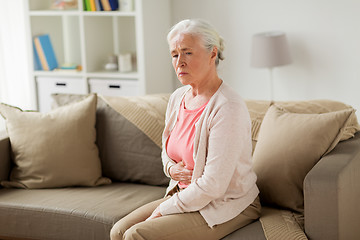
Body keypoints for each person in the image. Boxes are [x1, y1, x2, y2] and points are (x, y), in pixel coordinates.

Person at [110, 19, 261, 240]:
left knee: (136, 236)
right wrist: (171, 170)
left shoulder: (228, 107)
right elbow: (167, 149)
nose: (179, 62)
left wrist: (163, 209)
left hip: (224, 203)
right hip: (187, 194)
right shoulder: (178, 97)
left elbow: (214, 186)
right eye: (174, 54)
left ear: (212, 54)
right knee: (119, 231)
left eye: (187, 53)